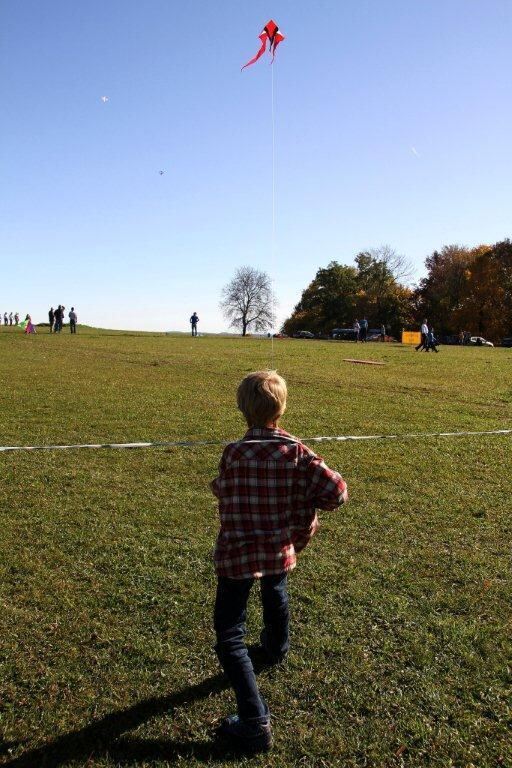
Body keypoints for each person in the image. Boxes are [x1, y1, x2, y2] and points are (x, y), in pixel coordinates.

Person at [211, 370, 348, 753]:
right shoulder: (297, 452)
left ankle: (254, 722)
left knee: (229, 633)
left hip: (237, 553)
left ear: (242, 409)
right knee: (276, 590)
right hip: (277, 550)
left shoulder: (234, 452)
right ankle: (276, 647)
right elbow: (337, 492)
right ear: (282, 407)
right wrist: (305, 498)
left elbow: (221, 490)